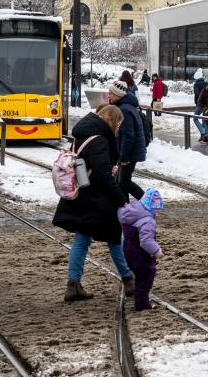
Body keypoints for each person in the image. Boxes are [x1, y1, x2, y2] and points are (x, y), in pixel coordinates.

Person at [53, 104, 135, 301]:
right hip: (97, 198)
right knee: (114, 236)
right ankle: (128, 279)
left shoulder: (83, 134)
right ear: (111, 121)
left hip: (84, 195)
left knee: (82, 237)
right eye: (118, 124)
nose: (118, 129)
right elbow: (103, 176)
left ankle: (73, 284)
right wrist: (121, 200)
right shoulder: (100, 140)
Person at [118, 187, 164, 311]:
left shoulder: (129, 213)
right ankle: (142, 305)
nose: (157, 213)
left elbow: (120, 212)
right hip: (140, 254)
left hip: (128, 251)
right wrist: (157, 251)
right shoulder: (147, 221)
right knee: (145, 278)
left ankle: (141, 300)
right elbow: (146, 241)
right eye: (156, 209)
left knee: (140, 276)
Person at [107, 81, 147, 200]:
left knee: (123, 182)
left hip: (130, 153)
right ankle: (125, 207)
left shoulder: (124, 109)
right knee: (121, 182)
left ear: (118, 94)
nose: (108, 96)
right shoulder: (126, 106)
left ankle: (147, 201)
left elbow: (128, 135)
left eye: (111, 93)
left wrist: (124, 156)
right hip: (130, 151)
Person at [192, 69, 208, 142]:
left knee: (195, 118)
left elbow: (197, 94)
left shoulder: (196, 84)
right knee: (204, 119)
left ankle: (203, 132)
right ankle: (206, 135)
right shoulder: (206, 84)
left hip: (200, 104)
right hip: (207, 104)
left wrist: (198, 102)